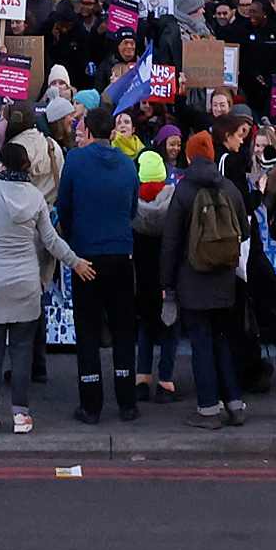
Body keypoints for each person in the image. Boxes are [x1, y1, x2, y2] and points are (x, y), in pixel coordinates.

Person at [0, 136, 76, 436]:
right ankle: (20, 415)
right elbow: (50, 241)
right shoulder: (34, 196)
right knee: (21, 352)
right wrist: (76, 262)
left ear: (2, 164)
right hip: (26, 282)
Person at [157, 130, 253, 428]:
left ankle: (208, 410)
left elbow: (171, 242)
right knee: (223, 340)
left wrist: (167, 284)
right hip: (224, 279)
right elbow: (245, 232)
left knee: (201, 344)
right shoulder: (230, 188)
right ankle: (235, 405)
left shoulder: (184, 192)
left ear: (189, 156)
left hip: (193, 280)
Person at [54, 115, 142, 422]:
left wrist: (73, 236)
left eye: (80, 131)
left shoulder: (75, 161)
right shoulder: (129, 163)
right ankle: (127, 402)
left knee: (88, 330)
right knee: (123, 330)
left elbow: (63, 205)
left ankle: (91, 405)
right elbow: (133, 206)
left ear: (89, 131)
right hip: (120, 253)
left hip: (86, 257)